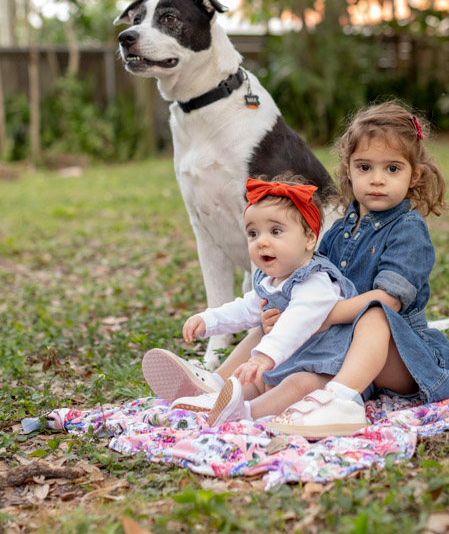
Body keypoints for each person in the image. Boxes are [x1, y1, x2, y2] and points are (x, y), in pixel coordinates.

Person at [145, 101, 449, 437]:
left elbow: (390, 301)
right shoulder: (341, 228)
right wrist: (282, 312)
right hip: (342, 350)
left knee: (375, 312)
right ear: (348, 170)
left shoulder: (407, 228)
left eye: (392, 169)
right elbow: (309, 281)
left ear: (414, 174)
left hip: (400, 354)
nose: (376, 180)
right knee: (276, 327)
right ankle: (221, 390)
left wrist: (320, 315)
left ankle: (341, 399)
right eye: (364, 167)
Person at [150, 174, 392, 431]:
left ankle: (247, 413)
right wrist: (208, 321)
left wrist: (264, 357)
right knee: (252, 381)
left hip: (323, 370)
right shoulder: (271, 281)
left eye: (276, 231)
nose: (262, 241)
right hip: (283, 363)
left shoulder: (316, 281)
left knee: (298, 385)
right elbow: (245, 309)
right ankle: (216, 399)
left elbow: (296, 322)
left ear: (310, 238)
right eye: (253, 233)